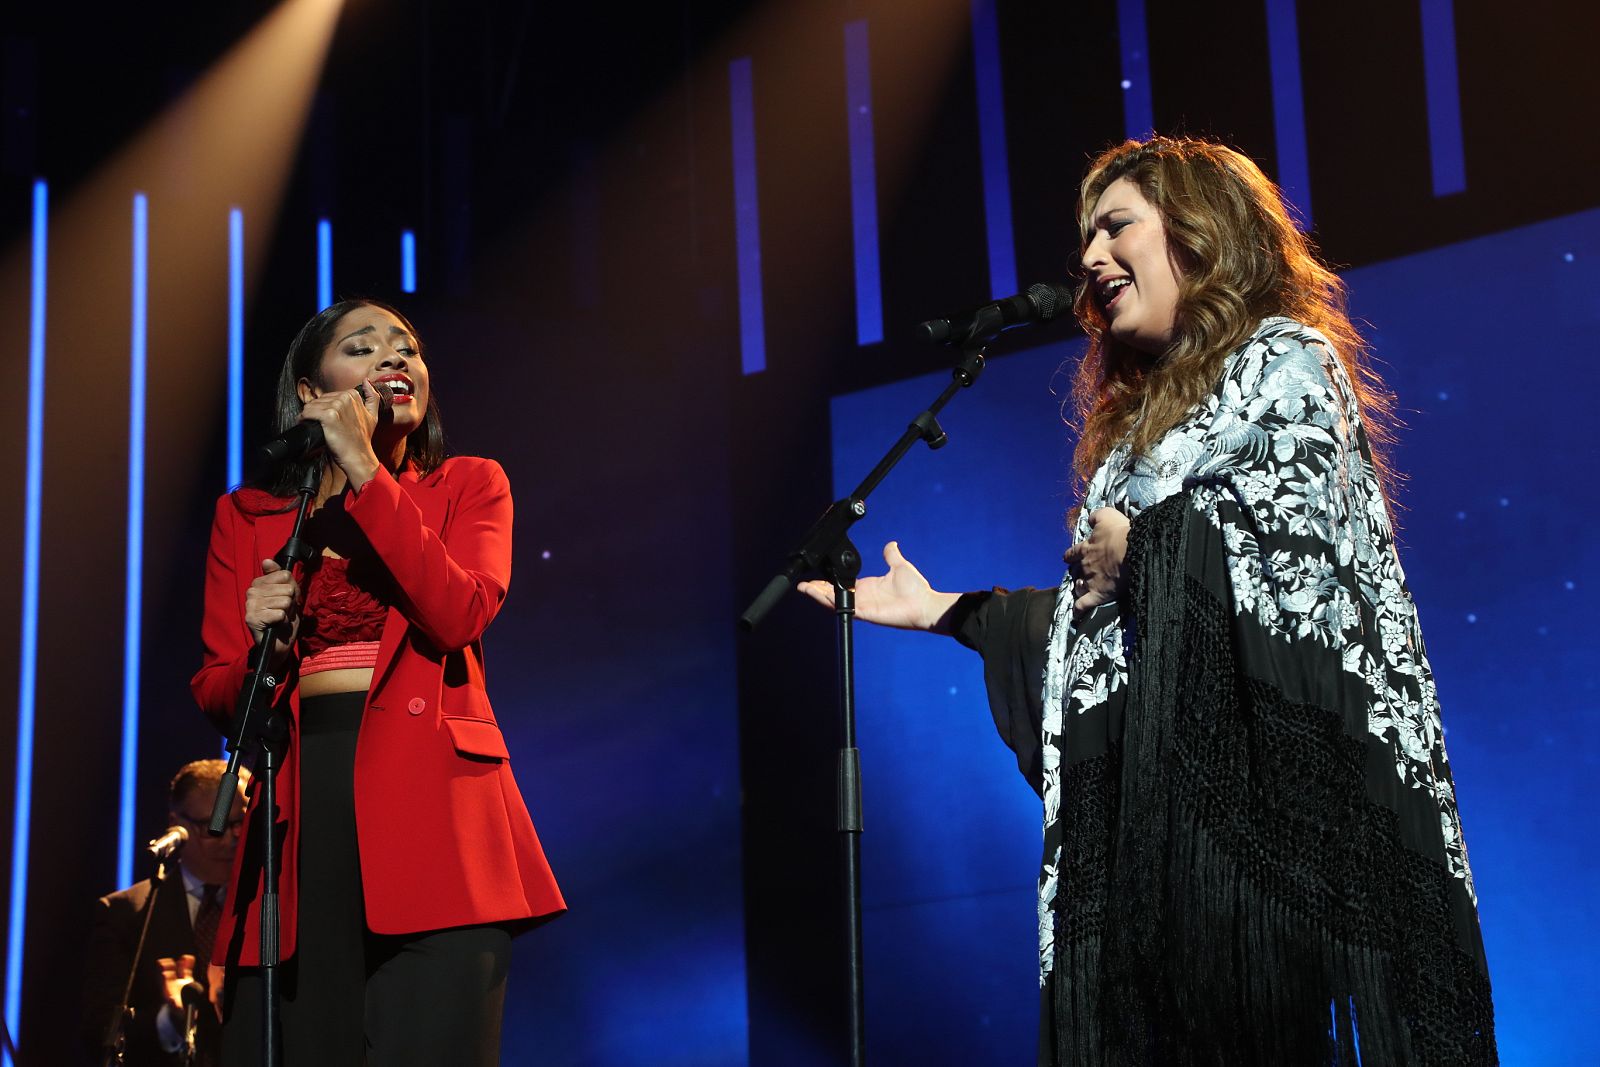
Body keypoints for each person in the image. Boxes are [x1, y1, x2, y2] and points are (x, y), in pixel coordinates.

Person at [800, 137, 1496, 1065]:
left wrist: (1154, 547)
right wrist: (949, 612)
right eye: (1087, 236)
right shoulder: (1132, 435)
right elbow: (1109, 643)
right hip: (1150, 861)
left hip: (1255, 866)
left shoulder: (1285, 363)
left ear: (1201, 235)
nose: (1090, 257)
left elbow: (1306, 574)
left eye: (1116, 225)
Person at [192, 298, 565, 1064]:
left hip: (436, 815)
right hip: (298, 814)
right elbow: (221, 695)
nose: (396, 360)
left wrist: (364, 467)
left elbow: (460, 612)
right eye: (362, 348)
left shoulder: (468, 485)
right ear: (309, 393)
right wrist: (263, 638)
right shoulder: (248, 515)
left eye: (408, 348)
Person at [83, 759, 246, 1067]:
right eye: (215, 827)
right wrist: (170, 1020)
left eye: (240, 825)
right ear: (178, 825)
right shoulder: (127, 913)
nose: (230, 840)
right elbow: (97, 1033)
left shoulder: (269, 906)